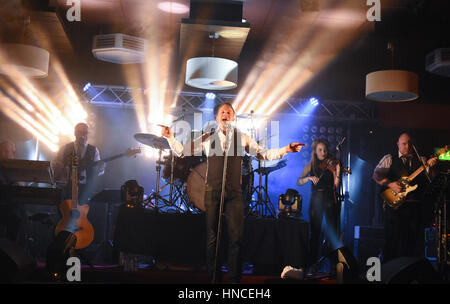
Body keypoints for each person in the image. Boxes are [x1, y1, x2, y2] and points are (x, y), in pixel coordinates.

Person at [161, 102, 304, 283]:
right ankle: (214, 279)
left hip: (234, 194)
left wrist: (286, 149)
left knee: (236, 238)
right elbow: (182, 152)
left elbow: (263, 153)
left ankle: (234, 282)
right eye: (222, 111)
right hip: (212, 191)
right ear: (217, 117)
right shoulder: (207, 137)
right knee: (213, 238)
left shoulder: (241, 138)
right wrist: (170, 137)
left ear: (233, 117)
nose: (225, 114)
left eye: (229, 112)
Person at [372, 132, 437, 262]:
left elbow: (431, 180)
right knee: (392, 242)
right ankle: (387, 275)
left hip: (414, 208)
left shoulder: (421, 160)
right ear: (398, 144)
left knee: (411, 244)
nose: (407, 146)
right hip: (395, 207)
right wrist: (390, 184)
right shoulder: (389, 158)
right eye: (404, 144)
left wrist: (431, 167)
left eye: (410, 144)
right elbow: (376, 176)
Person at [297, 139, 341, 274]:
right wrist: (309, 178)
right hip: (316, 201)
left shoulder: (332, 165)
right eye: (320, 150)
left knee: (332, 234)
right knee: (315, 234)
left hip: (330, 200)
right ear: (315, 152)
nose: (324, 152)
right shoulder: (310, 166)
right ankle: (311, 264)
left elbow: (337, 186)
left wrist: (337, 172)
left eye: (325, 150)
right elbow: (299, 181)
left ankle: (334, 266)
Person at [52, 122, 105, 204]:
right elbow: (56, 165)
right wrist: (61, 168)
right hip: (67, 187)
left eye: (86, 133)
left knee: (81, 213)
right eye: (80, 132)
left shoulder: (94, 150)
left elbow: (97, 172)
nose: (83, 135)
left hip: (84, 188)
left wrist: (101, 168)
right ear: (75, 133)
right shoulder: (65, 148)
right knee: (66, 212)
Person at [0, 140, 22, 242]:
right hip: (4, 206)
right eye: (11, 152)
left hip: (9, 205)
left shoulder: (15, 167)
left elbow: (21, 185)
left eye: (13, 152)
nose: (13, 155)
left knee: (18, 215)